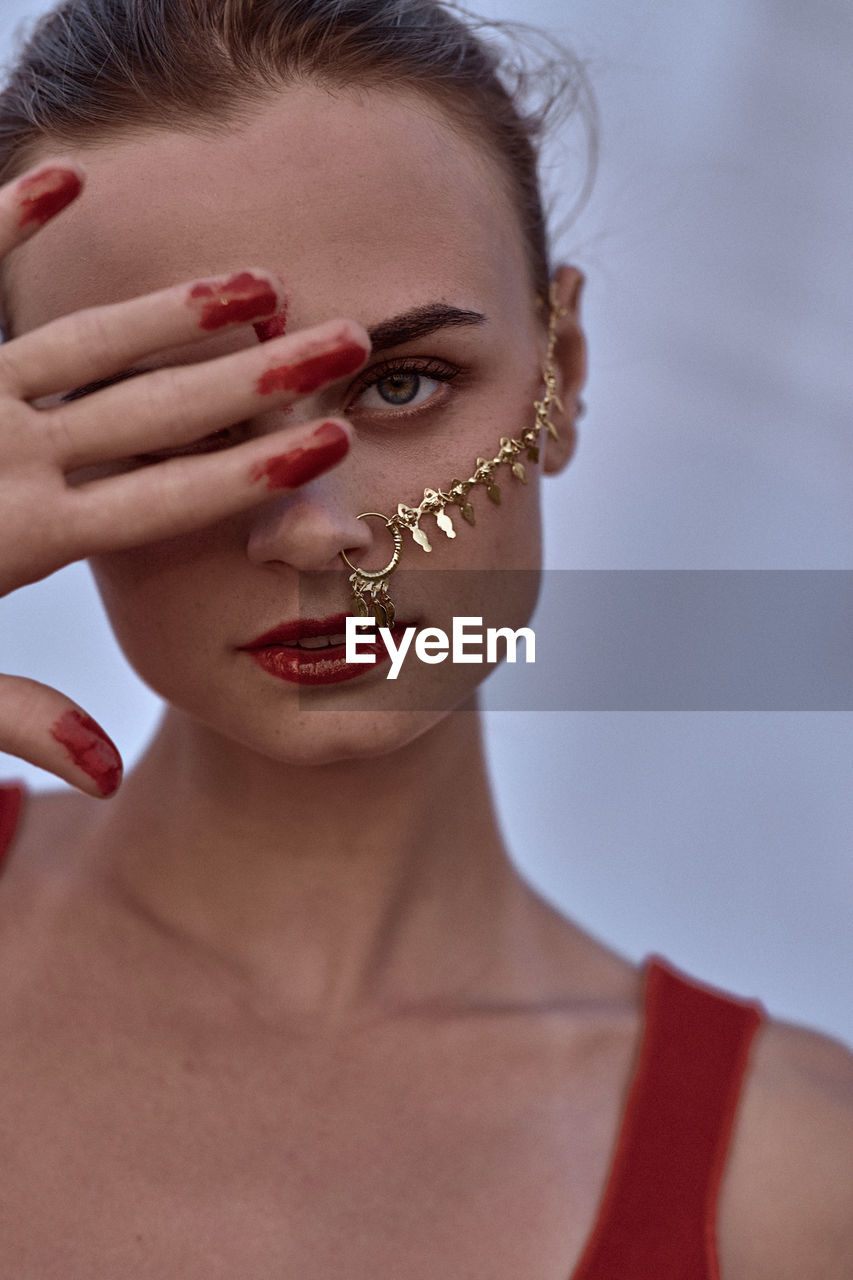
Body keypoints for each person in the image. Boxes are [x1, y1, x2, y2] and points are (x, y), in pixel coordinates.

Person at [0, 1, 850, 1275]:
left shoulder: (793, 1181)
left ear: (557, 368)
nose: (308, 530)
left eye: (402, 385)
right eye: (174, 414)